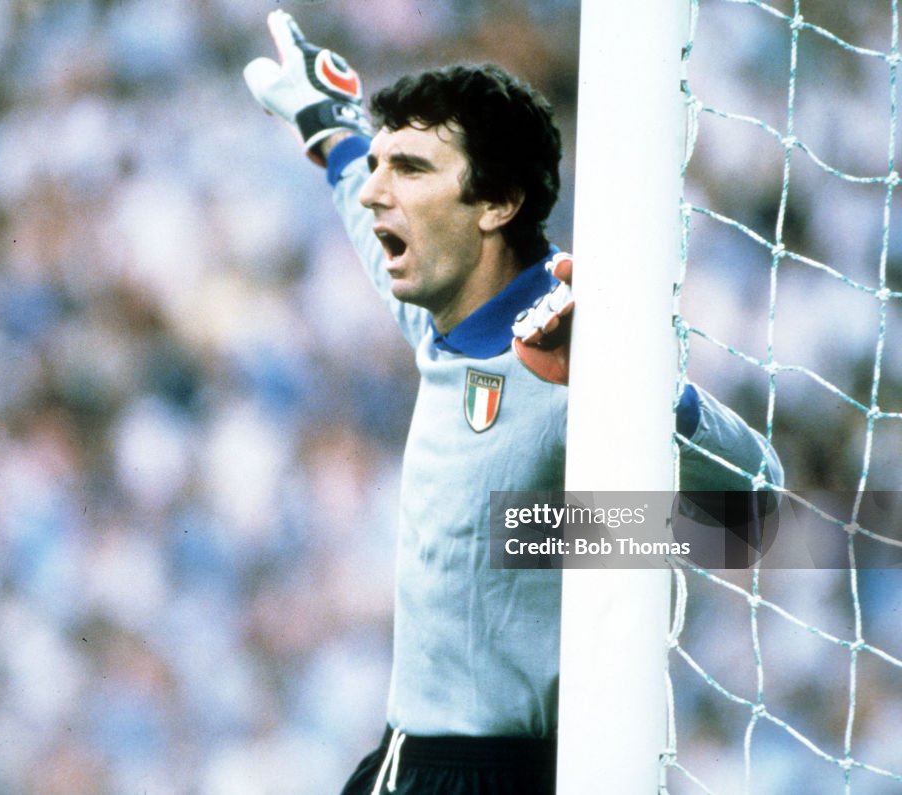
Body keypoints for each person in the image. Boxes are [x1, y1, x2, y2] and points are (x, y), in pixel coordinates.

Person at [244, 12, 783, 793]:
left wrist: (633, 394)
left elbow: (751, 518)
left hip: (493, 775)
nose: (375, 191)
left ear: (496, 203)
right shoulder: (452, 305)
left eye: (410, 169)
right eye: (381, 164)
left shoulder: (568, 347)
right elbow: (365, 215)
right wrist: (329, 122)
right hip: (406, 758)